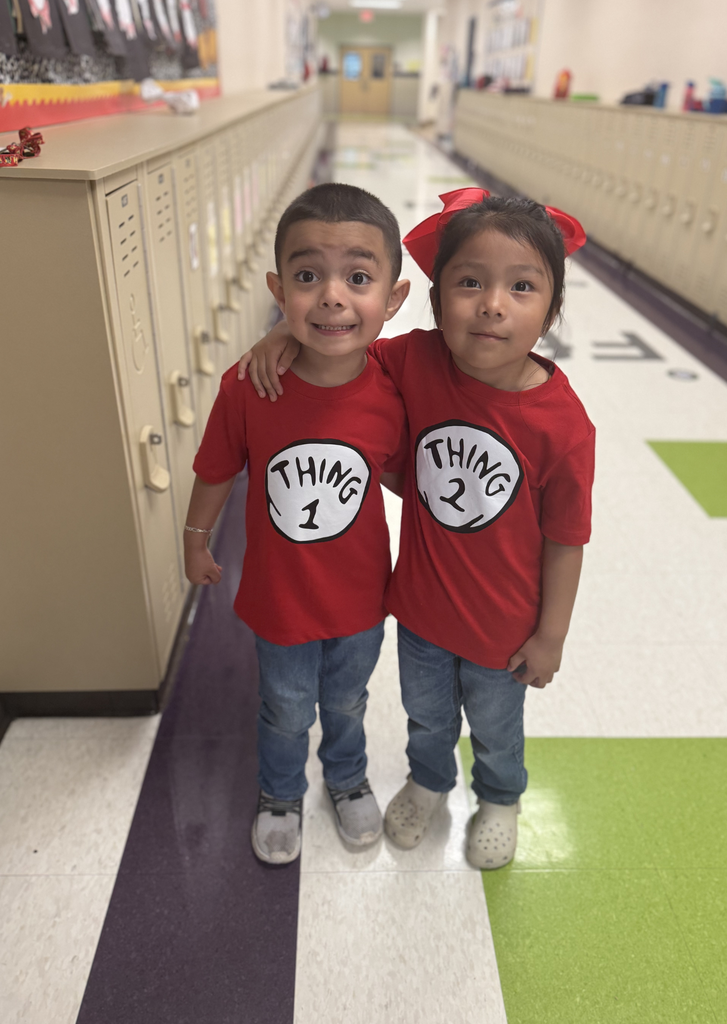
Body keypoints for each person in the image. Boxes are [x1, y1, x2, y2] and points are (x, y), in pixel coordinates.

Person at [238, 190, 595, 870]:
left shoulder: (563, 426)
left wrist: (550, 636)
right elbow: (343, 342)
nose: (492, 305)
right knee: (426, 719)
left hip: (505, 627)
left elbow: (565, 540)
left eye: (521, 287)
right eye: (469, 283)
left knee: (495, 727)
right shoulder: (417, 361)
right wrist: (286, 332)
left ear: (551, 312)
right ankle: (428, 782)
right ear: (434, 300)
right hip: (422, 612)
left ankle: (500, 798)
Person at [184, 182, 410, 865]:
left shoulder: (395, 387)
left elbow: (411, 474)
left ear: (393, 298)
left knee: (346, 702)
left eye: (358, 278)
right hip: (279, 599)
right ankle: (280, 792)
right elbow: (216, 468)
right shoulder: (249, 385)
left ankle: (346, 778)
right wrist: (195, 539)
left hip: (362, 599)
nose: (332, 296)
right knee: (284, 707)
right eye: (308, 277)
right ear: (278, 290)